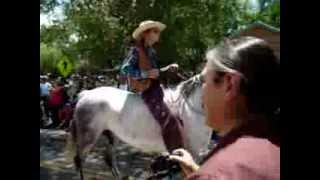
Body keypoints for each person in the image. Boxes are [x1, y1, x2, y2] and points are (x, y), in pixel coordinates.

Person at [169, 37, 280, 180]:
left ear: (230, 85)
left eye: (204, 81)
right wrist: (196, 170)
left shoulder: (215, 173)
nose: (202, 90)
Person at [120, 20, 186, 152]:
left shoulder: (152, 52)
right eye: (155, 31)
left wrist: (167, 69)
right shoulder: (136, 51)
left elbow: (154, 72)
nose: (158, 34)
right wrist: (145, 73)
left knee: (179, 113)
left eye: (158, 31)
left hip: (156, 88)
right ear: (146, 34)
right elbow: (125, 69)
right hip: (146, 91)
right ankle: (173, 155)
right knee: (170, 119)